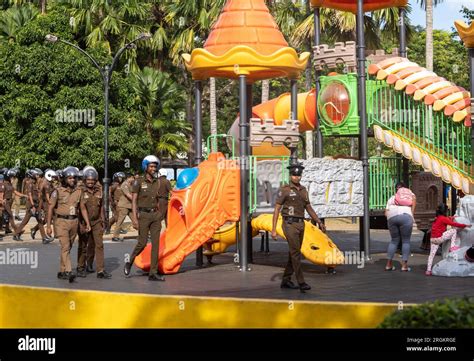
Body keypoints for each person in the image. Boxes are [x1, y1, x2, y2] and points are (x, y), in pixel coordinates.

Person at [271, 163, 326, 292]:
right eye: (294, 175)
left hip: (301, 223)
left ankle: (286, 280)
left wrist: (319, 221)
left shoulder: (303, 190)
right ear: (290, 176)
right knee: (296, 253)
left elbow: (308, 207)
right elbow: (277, 209)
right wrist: (273, 229)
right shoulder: (285, 190)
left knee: (293, 253)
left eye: (298, 175)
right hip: (289, 224)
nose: (297, 177)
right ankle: (301, 282)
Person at [46, 167, 91, 283]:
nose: (72, 180)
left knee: (68, 247)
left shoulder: (79, 192)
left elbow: (82, 208)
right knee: (65, 247)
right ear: (65, 179)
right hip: (61, 222)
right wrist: (49, 226)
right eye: (70, 178)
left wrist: (87, 222)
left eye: (74, 178)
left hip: (74, 222)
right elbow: (50, 208)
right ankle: (69, 271)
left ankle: (62, 271)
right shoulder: (57, 191)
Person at [124, 155, 164, 281]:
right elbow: (134, 201)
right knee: (142, 243)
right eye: (151, 166)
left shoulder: (158, 182)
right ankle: (130, 261)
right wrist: (135, 219)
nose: (153, 168)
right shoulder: (138, 182)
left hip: (155, 216)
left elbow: (159, 199)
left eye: (155, 166)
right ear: (145, 167)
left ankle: (153, 272)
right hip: (144, 216)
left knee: (156, 245)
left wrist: (160, 214)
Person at [77, 168, 111, 279]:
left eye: (92, 180)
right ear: (85, 180)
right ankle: (80, 267)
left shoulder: (99, 190)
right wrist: (81, 224)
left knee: (98, 245)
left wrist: (103, 219)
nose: (90, 182)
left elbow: (101, 206)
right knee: (83, 245)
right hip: (83, 221)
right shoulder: (80, 191)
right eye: (88, 180)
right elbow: (79, 208)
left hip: (96, 221)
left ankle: (100, 270)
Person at [425, 204, 471, 276]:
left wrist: (450, 217)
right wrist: (465, 225)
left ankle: (428, 270)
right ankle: (452, 247)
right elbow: (454, 224)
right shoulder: (443, 218)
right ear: (445, 211)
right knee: (453, 231)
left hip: (433, 239)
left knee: (431, 255)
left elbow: (445, 220)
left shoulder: (437, 218)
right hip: (440, 238)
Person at [384, 182, 416, 272]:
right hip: (406, 215)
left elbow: (386, 213)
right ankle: (404, 266)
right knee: (406, 241)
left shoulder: (392, 198)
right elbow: (414, 201)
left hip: (392, 216)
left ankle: (388, 265)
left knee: (394, 240)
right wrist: (411, 214)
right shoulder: (410, 195)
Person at [14, 168, 49, 242]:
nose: (37, 176)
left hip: (35, 203)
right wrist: (33, 205)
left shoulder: (34, 182)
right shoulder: (30, 183)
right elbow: (29, 195)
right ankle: (16, 234)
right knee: (26, 221)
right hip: (31, 205)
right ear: (32, 175)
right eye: (36, 174)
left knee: (39, 220)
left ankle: (44, 237)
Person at [112, 173, 134, 242]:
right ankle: (115, 236)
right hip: (123, 206)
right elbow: (128, 195)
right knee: (120, 221)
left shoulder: (131, 185)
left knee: (135, 221)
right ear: (129, 178)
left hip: (130, 206)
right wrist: (136, 200)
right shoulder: (124, 185)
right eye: (132, 178)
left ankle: (143, 235)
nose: (133, 179)